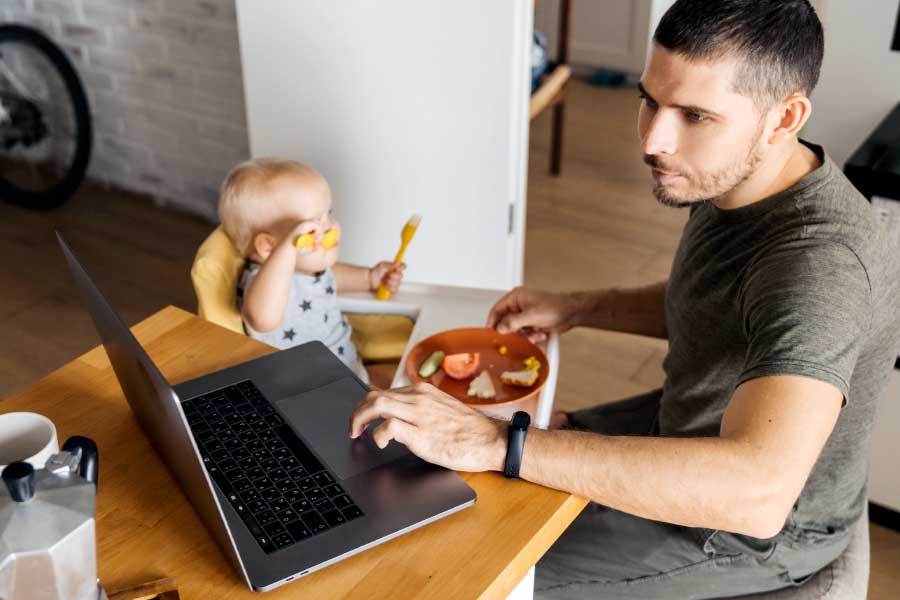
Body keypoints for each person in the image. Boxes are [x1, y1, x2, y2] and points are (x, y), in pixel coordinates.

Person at [347, 0, 900, 597]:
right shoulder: (746, 176)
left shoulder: (821, 267)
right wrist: (578, 306)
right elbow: (720, 303)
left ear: (783, 116)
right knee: (446, 472)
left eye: (694, 115)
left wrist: (496, 444)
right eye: (650, 100)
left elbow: (759, 494)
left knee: (462, 571)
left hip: (747, 532)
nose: (654, 140)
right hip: (686, 425)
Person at [218, 158, 405, 384]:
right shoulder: (267, 284)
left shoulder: (307, 269)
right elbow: (261, 319)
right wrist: (288, 248)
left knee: (413, 378)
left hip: (352, 369)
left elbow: (329, 277)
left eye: (329, 214)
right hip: (319, 391)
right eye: (312, 228)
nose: (332, 227)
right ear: (269, 246)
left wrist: (370, 278)